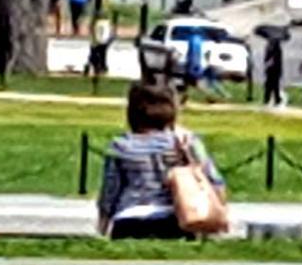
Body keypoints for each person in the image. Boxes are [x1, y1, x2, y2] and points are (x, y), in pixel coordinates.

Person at [97, 82, 226, 240]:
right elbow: (214, 181)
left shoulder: (120, 145)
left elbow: (110, 191)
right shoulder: (185, 142)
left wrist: (103, 222)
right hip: (174, 218)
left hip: (129, 218)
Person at [262, 35, 284, 108]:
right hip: (271, 70)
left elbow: (275, 61)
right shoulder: (269, 49)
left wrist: (269, 62)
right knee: (270, 86)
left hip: (274, 70)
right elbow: (266, 59)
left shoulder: (277, 51)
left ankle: (275, 100)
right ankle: (268, 100)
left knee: (274, 86)